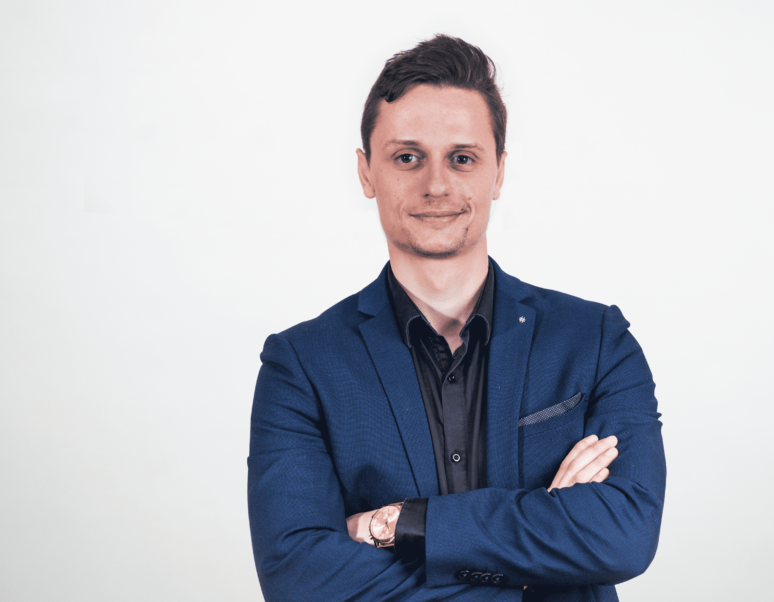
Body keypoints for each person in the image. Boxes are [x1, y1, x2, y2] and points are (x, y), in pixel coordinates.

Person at [247, 35, 665, 601]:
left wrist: (400, 524)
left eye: (462, 158)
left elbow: (624, 536)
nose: (437, 185)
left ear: (498, 173)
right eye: (407, 157)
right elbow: (299, 580)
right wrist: (539, 554)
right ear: (366, 173)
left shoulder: (596, 342)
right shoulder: (300, 365)